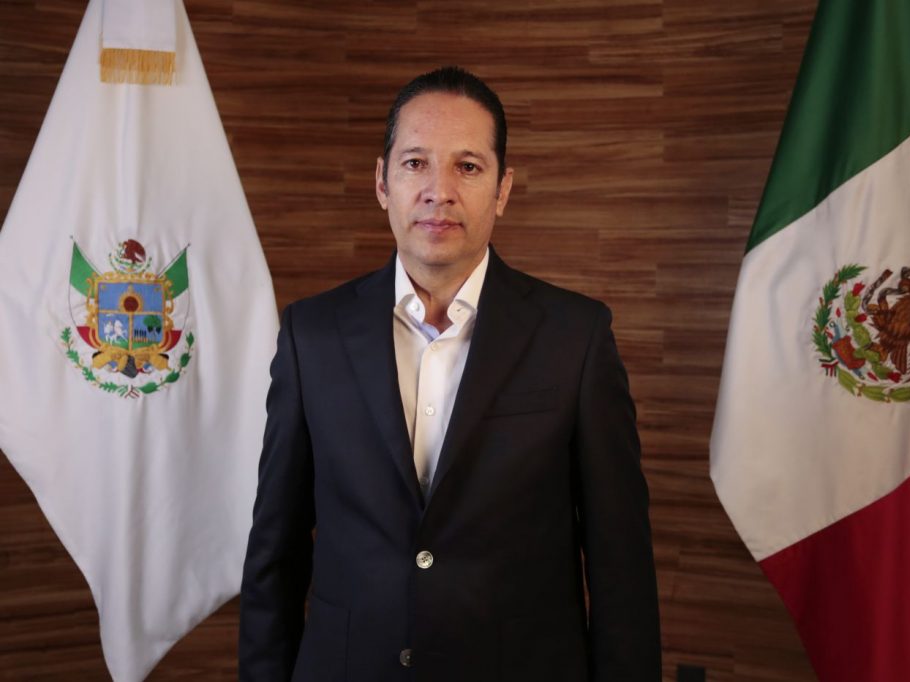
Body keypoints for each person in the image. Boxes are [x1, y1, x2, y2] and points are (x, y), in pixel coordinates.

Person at [239, 66, 661, 682]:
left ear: (502, 189)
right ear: (381, 182)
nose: (439, 191)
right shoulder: (312, 335)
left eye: (467, 166)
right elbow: (273, 555)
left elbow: (620, 565)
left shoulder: (576, 337)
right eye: (415, 163)